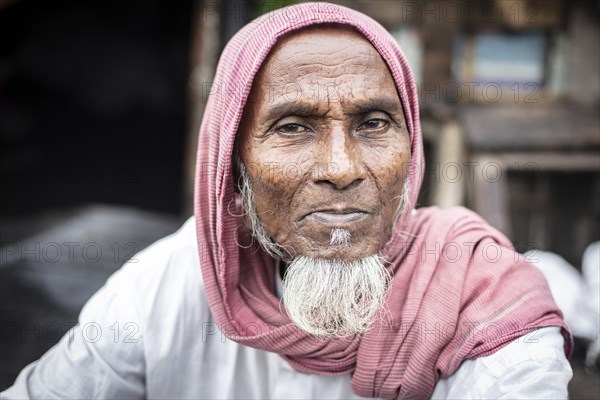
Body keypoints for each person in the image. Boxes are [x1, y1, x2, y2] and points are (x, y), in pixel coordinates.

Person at [1, 3, 573, 399]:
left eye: (374, 122)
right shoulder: (169, 284)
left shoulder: (486, 299)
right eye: (294, 127)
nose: (342, 169)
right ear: (234, 159)